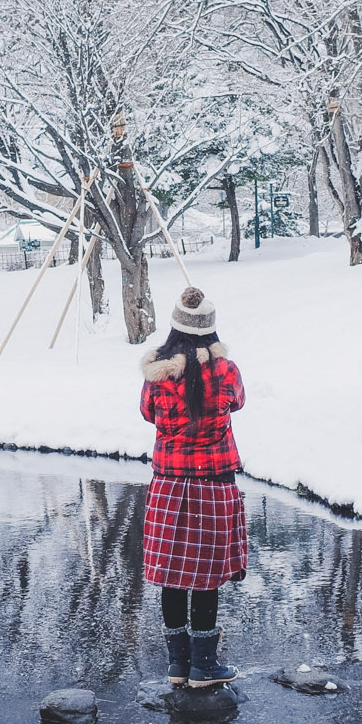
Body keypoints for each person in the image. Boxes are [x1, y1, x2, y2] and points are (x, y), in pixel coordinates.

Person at [140, 286, 248, 689]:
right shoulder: (227, 371)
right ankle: (205, 665)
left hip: (170, 485)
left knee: (172, 574)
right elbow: (238, 402)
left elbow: (148, 413)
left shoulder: (158, 373)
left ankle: (177, 666)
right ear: (210, 330)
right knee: (206, 576)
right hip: (214, 485)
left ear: (174, 327)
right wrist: (215, 361)